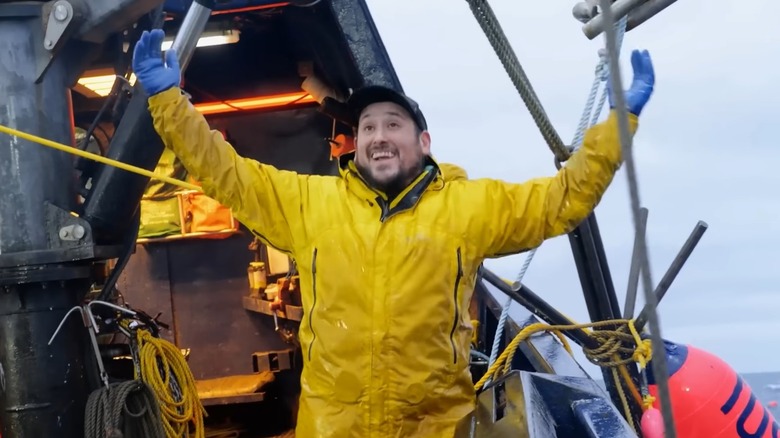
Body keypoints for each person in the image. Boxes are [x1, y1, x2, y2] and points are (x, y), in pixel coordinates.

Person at [132, 28, 655, 438]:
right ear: (354, 143)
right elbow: (225, 172)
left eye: (393, 125)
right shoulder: (309, 203)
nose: (379, 137)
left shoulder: (470, 207)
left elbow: (562, 202)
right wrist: (168, 102)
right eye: (367, 128)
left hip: (438, 429)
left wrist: (617, 123)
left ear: (423, 142)